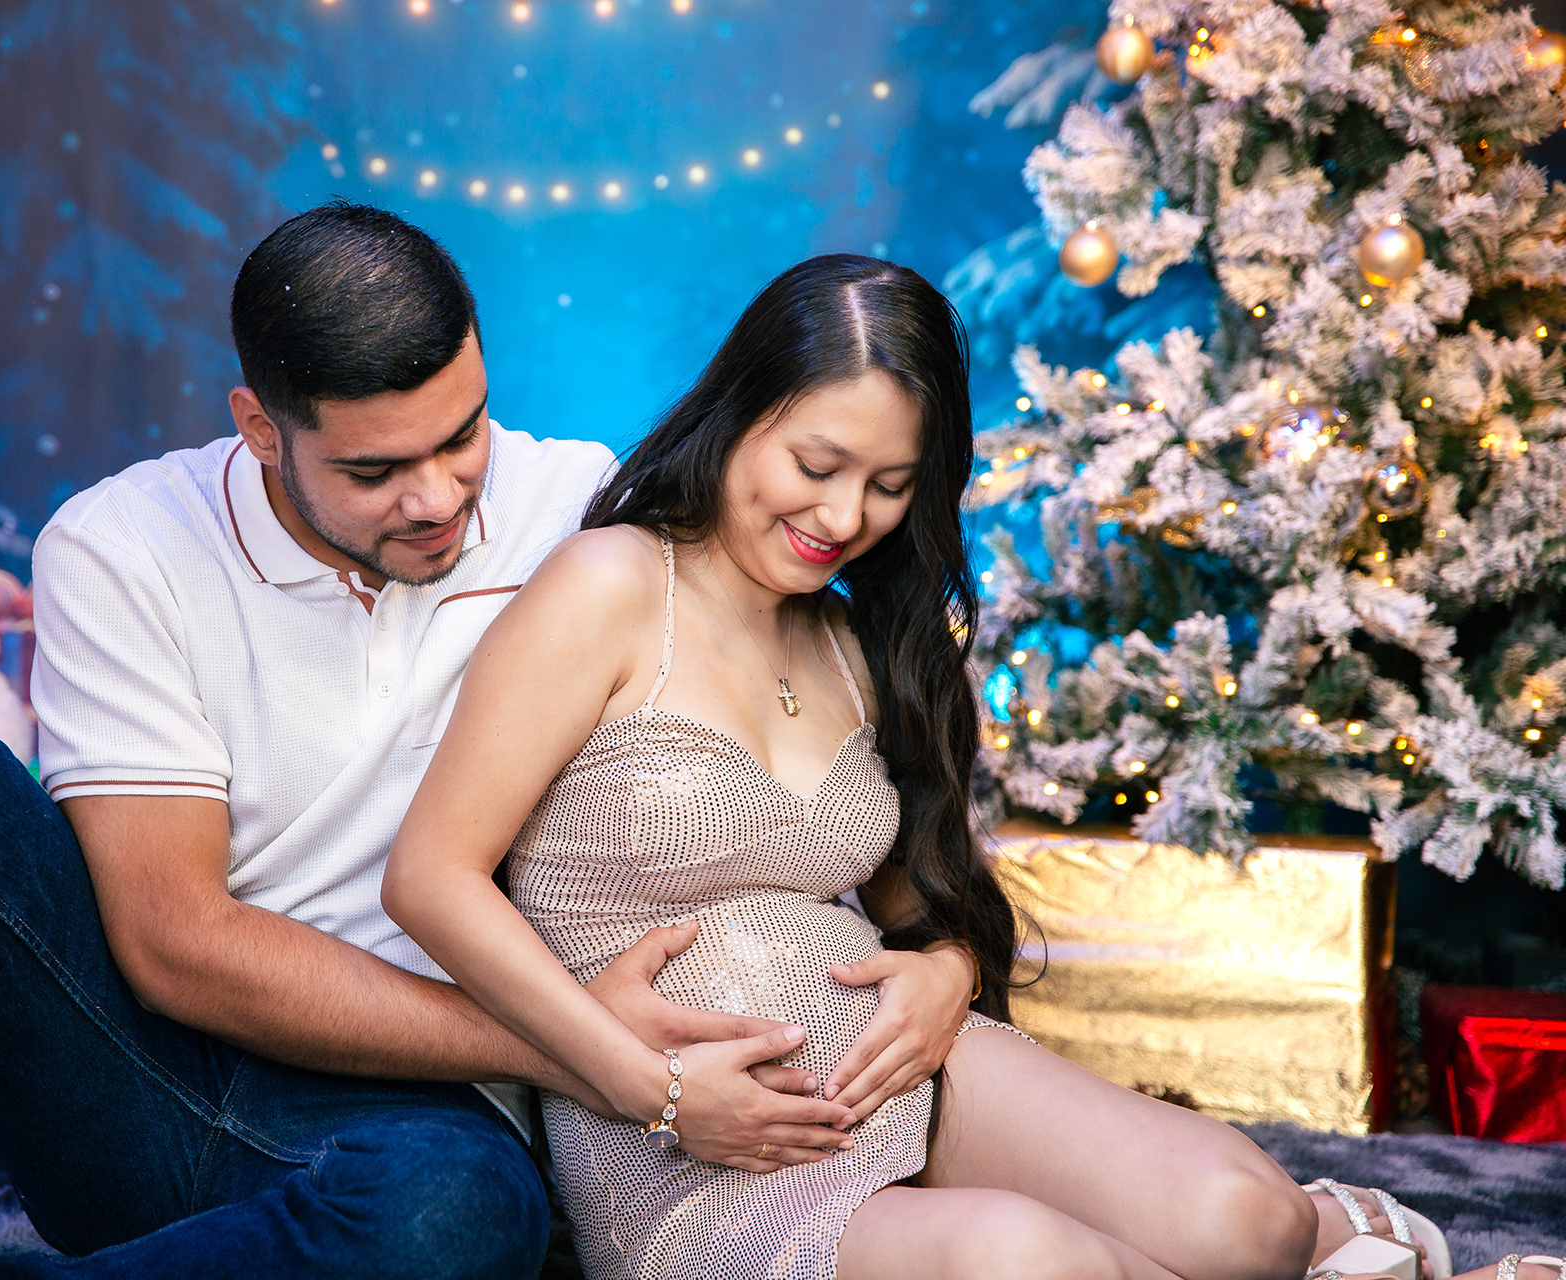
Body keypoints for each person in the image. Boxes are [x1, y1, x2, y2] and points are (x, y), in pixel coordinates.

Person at [0, 203, 837, 1280]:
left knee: (456, 1216)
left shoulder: (578, 511)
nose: (437, 496)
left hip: (417, 1113)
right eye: (375, 468)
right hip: (127, 1064)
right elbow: (177, 941)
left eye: (461, 433)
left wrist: (931, 969)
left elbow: (815, 660)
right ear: (261, 428)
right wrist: (584, 1044)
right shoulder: (120, 545)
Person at [380, 254, 1563, 1280]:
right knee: (1026, 1259)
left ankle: (1324, 1235)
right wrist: (656, 1087)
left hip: (903, 1068)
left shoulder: (856, 641)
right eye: (816, 462)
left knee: (1248, 1221)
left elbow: (914, 897)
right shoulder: (611, 583)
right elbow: (431, 878)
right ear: (740, 411)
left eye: (890, 485)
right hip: (689, 1146)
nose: (844, 514)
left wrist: (947, 970)